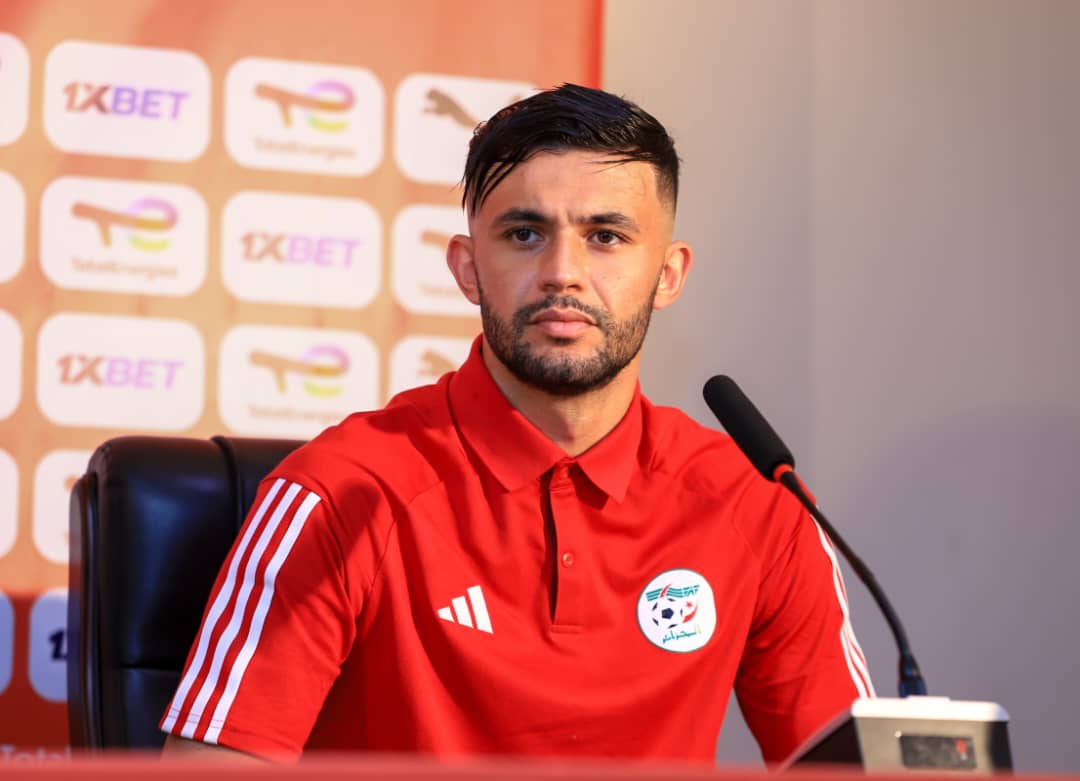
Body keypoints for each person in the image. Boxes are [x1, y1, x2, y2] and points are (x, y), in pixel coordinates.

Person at [161, 83, 873, 764]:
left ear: (668, 274)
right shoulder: (340, 491)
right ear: (469, 269)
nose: (563, 272)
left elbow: (862, 763)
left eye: (606, 236)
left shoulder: (756, 502)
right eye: (525, 233)